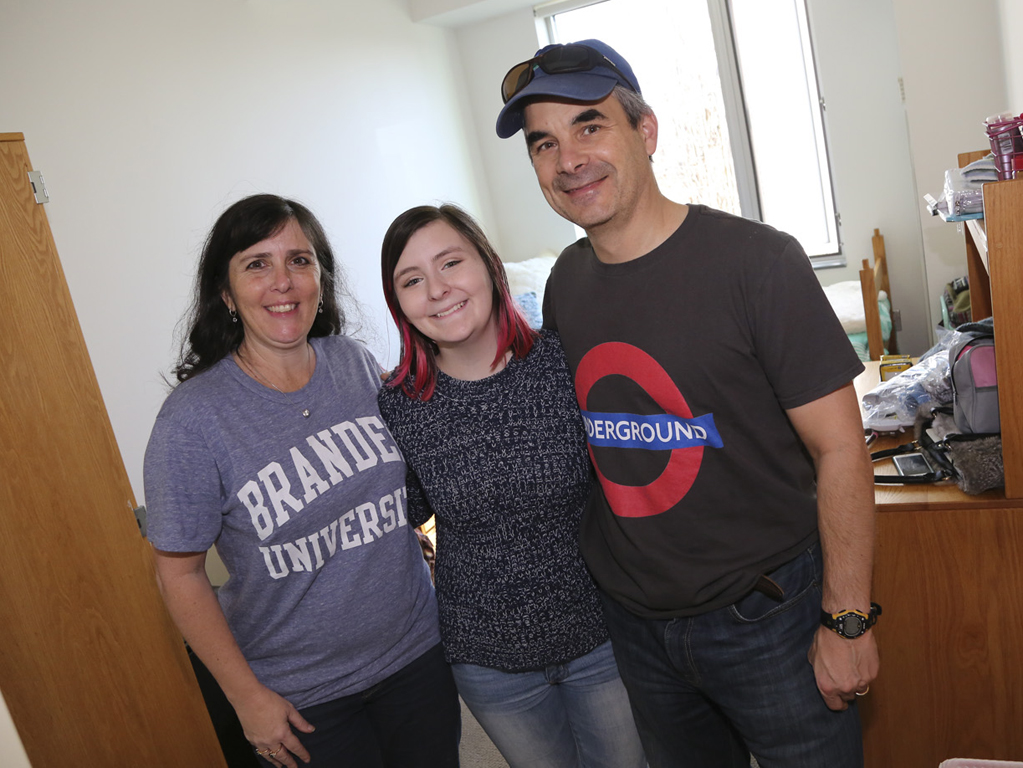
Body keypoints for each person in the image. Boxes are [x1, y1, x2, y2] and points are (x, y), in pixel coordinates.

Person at [494, 39, 880, 768]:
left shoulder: (758, 262)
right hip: (636, 627)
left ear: (645, 131)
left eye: (589, 126)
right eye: (543, 144)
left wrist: (849, 621)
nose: (568, 159)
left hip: (768, 616)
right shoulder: (566, 283)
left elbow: (840, 448)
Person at [143, 194, 461, 768]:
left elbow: (395, 482)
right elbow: (179, 575)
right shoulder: (192, 421)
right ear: (225, 293)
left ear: (320, 277)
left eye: (299, 260)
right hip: (304, 698)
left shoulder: (353, 362)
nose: (283, 282)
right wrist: (246, 699)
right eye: (256, 264)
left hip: (416, 654)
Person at [376, 204, 645, 768]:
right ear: (398, 303)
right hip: (487, 660)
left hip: (600, 634)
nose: (437, 290)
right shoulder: (399, 407)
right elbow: (402, 514)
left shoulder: (564, 363)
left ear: (489, 265)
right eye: (412, 280)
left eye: (451, 263)